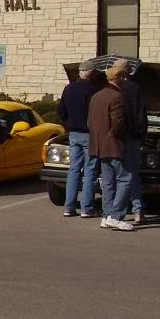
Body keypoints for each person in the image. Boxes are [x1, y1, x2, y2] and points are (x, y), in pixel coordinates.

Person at [87, 61, 134, 231]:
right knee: (125, 178)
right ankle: (116, 215)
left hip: (99, 145)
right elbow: (118, 123)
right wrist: (118, 136)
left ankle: (106, 215)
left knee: (107, 182)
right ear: (119, 78)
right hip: (113, 144)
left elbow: (90, 122)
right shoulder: (116, 97)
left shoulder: (96, 96)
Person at [57, 59, 99, 218]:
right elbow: (96, 114)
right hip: (89, 134)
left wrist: (68, 123)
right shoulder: (93, 90)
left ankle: (69, 206)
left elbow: (61, 110)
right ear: (91, 74)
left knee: (74, 169)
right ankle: (87, 208)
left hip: (74, 133)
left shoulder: (69, 89)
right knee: (90, 171)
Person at [117, 59, 148, 224]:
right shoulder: (134, 88)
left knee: (118, 175)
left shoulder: (112, 88)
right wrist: (141, 133)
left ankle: (115, 211)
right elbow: (141, 113)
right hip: (132, 136)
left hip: (116, 136)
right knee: (131, 174)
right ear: (128, 71)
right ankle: (136, 209)